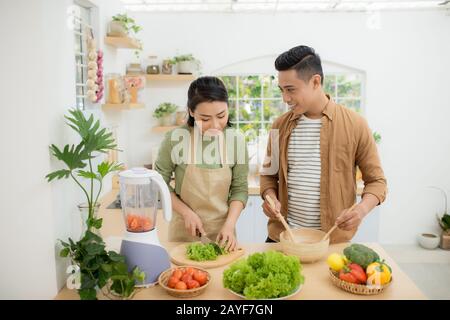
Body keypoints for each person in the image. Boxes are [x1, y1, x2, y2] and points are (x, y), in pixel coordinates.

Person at [260, 45, 387, 243]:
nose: (285, 98)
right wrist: (270, 197)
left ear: (315, 82)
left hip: (330, 243)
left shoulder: (355, 124)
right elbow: (269, 176)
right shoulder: (279, 125)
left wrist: (361, 210)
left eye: (291, 90)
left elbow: (377, 182)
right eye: (282, 90)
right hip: (282, 239)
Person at [155, 76, 248, 251]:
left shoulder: (236, 141)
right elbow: (159, 185)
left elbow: (240, 189)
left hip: (223, 234)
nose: (215, 125)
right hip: (183, 233)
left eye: (221, 116)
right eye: (205, 119)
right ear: (191, 111)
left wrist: (229, 225)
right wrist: (186, 212)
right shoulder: (174, 140)